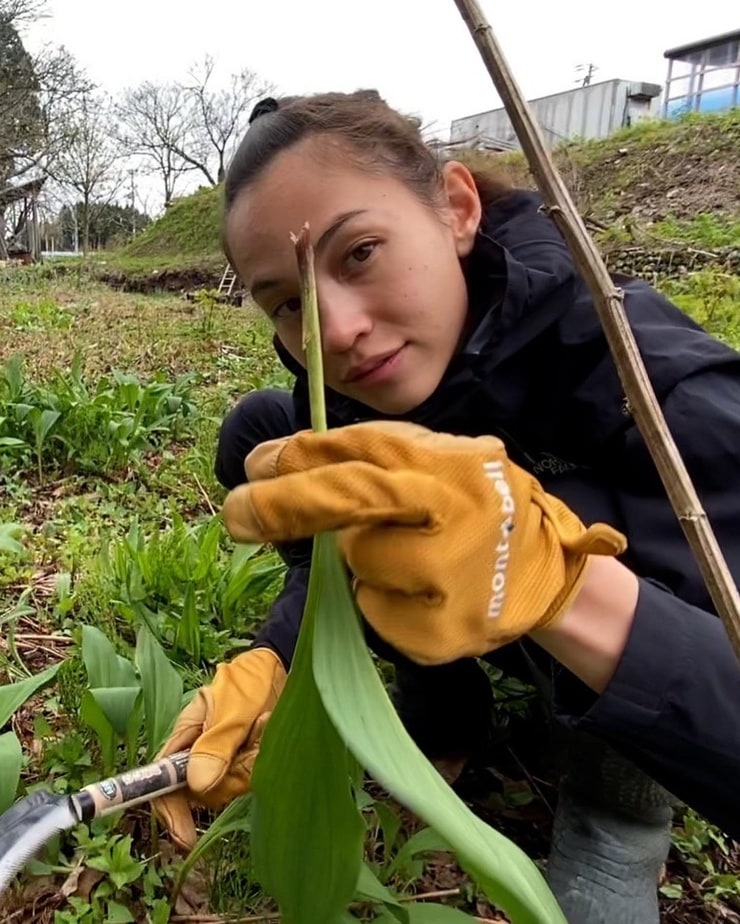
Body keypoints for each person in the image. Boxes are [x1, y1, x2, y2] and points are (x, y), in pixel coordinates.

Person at [154, 91, 740, 923]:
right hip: (495, 621)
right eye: (287, 301)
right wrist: (279, 657)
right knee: (283, 445)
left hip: (633, 641)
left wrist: (557, 579)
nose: (336, 330)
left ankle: (618, 813)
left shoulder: (640, 376)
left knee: (559, 508)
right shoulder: (356, 385)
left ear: (457, 209)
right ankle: (446, 698)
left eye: (359, 253)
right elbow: (354, 528)